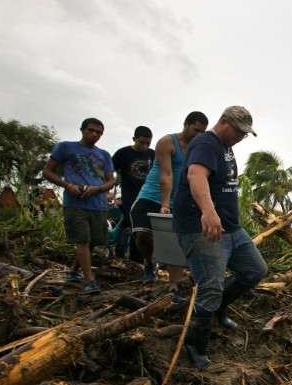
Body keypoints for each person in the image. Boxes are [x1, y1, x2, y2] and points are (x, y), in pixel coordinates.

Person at [173, 106, 267, 371]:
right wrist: (208, 211)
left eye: (245, 134)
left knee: (254, 270)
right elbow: (195, 175)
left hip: (231, 228)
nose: (241, 137)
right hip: (201, 227)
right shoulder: (206, 142)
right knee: (210, 287)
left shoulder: (226, 146)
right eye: (238, 131)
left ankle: (216, 310)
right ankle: (196, 346)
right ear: (224, 122)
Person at [132, 112, 209, 303]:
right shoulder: (167, 142)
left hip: (179, 200)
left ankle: (173, 286)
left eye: (202, 132)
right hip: (151, 194)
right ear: (186, 124)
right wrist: (165, 205)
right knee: (142, 234)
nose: (198, 135)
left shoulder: (198, 148)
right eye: (196, 129)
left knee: (176, 242)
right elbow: (166, 175)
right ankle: (149, 262)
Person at [41, 118, 116, 295]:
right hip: (75, 203)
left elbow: (110, 180)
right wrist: (68, 185)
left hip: (97, 204)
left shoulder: (104, 155)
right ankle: (89, 281)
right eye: (91, 130)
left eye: (98, 132)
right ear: (82, 130)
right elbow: (47, 171)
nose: (94, 134)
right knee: (82, 239)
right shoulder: (65, 147)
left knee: (92, 241)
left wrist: (97, 189)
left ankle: (73, 271)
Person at [111, 126, 155, 264]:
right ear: (134, 139)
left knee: (148, 229)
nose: (145, 146)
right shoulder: (123, 153)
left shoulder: (153, 154)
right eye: (141, 142)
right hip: (130, 197)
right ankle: (132, 258)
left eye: (148, 143)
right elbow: (108, 171)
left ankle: (145, 259)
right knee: (133, 227)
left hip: (148, 197)